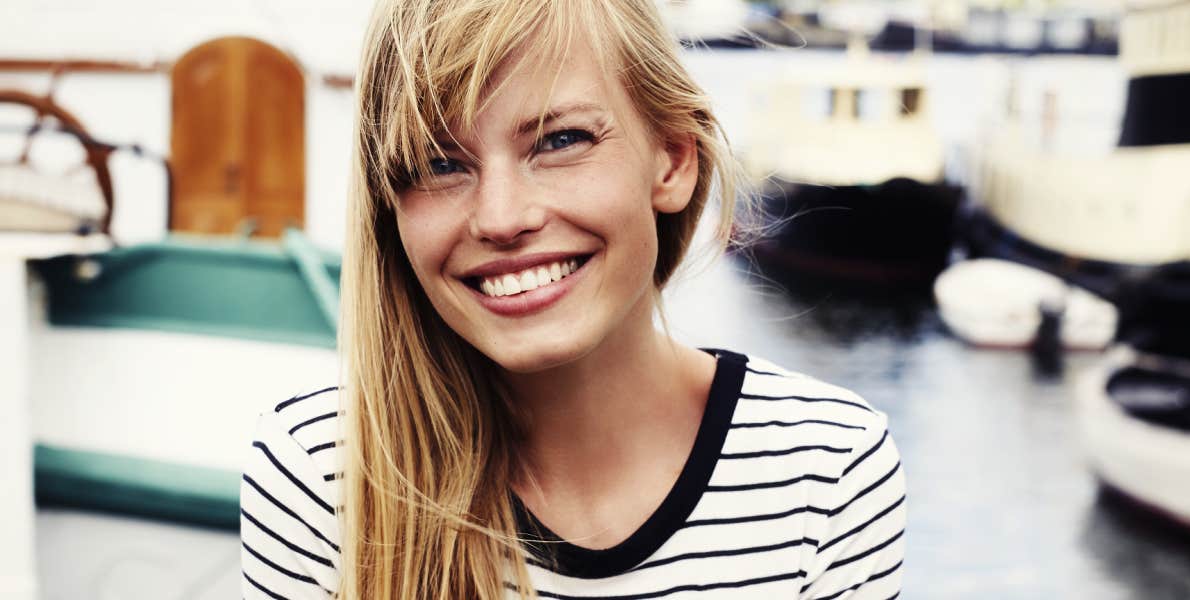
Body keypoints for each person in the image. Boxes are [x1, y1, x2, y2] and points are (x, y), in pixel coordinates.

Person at [239, 0, 907, 598]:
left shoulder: (828, 470)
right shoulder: (321, 474)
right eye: (440, 164)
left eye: (560, 141)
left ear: (672, 160)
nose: (500, 218)